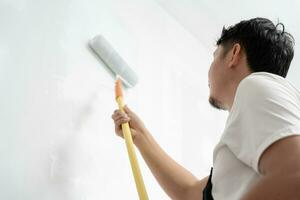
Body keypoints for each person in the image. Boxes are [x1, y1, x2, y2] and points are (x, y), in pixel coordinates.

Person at [111, 17, 300, 200]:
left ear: (234, 54)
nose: (209, 71)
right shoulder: (248, 141)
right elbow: (189, 192)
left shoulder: (255, 85)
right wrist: (140, 136)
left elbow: (295, 173)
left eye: (215, 55)